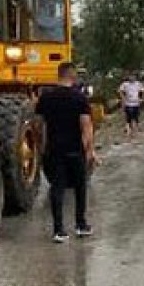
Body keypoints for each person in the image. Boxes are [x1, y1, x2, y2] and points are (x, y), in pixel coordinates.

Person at [35, 62, 98, 242]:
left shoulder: (46, 98)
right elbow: (86, 126)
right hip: (74, 150)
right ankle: (81, 225)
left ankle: (59, 230)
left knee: (57, 188)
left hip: (54, 149)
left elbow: (39, 125)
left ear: (58, 75)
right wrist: (90, 151)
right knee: (80, 187)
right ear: (72, 75)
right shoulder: (79, 98)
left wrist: (41, 147)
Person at [117, 72, 144, 137]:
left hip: (136, 103)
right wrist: (123, 98)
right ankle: (129, 130)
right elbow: (120, 91)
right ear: (128, 77)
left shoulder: (138, 84)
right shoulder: (125, 84)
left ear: (135, 77)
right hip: (128, 103)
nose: (132, 78)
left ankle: (136, 130)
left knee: (136, 117)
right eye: (130, 76)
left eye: (133, 76)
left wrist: (142, 99)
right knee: (129, 117)